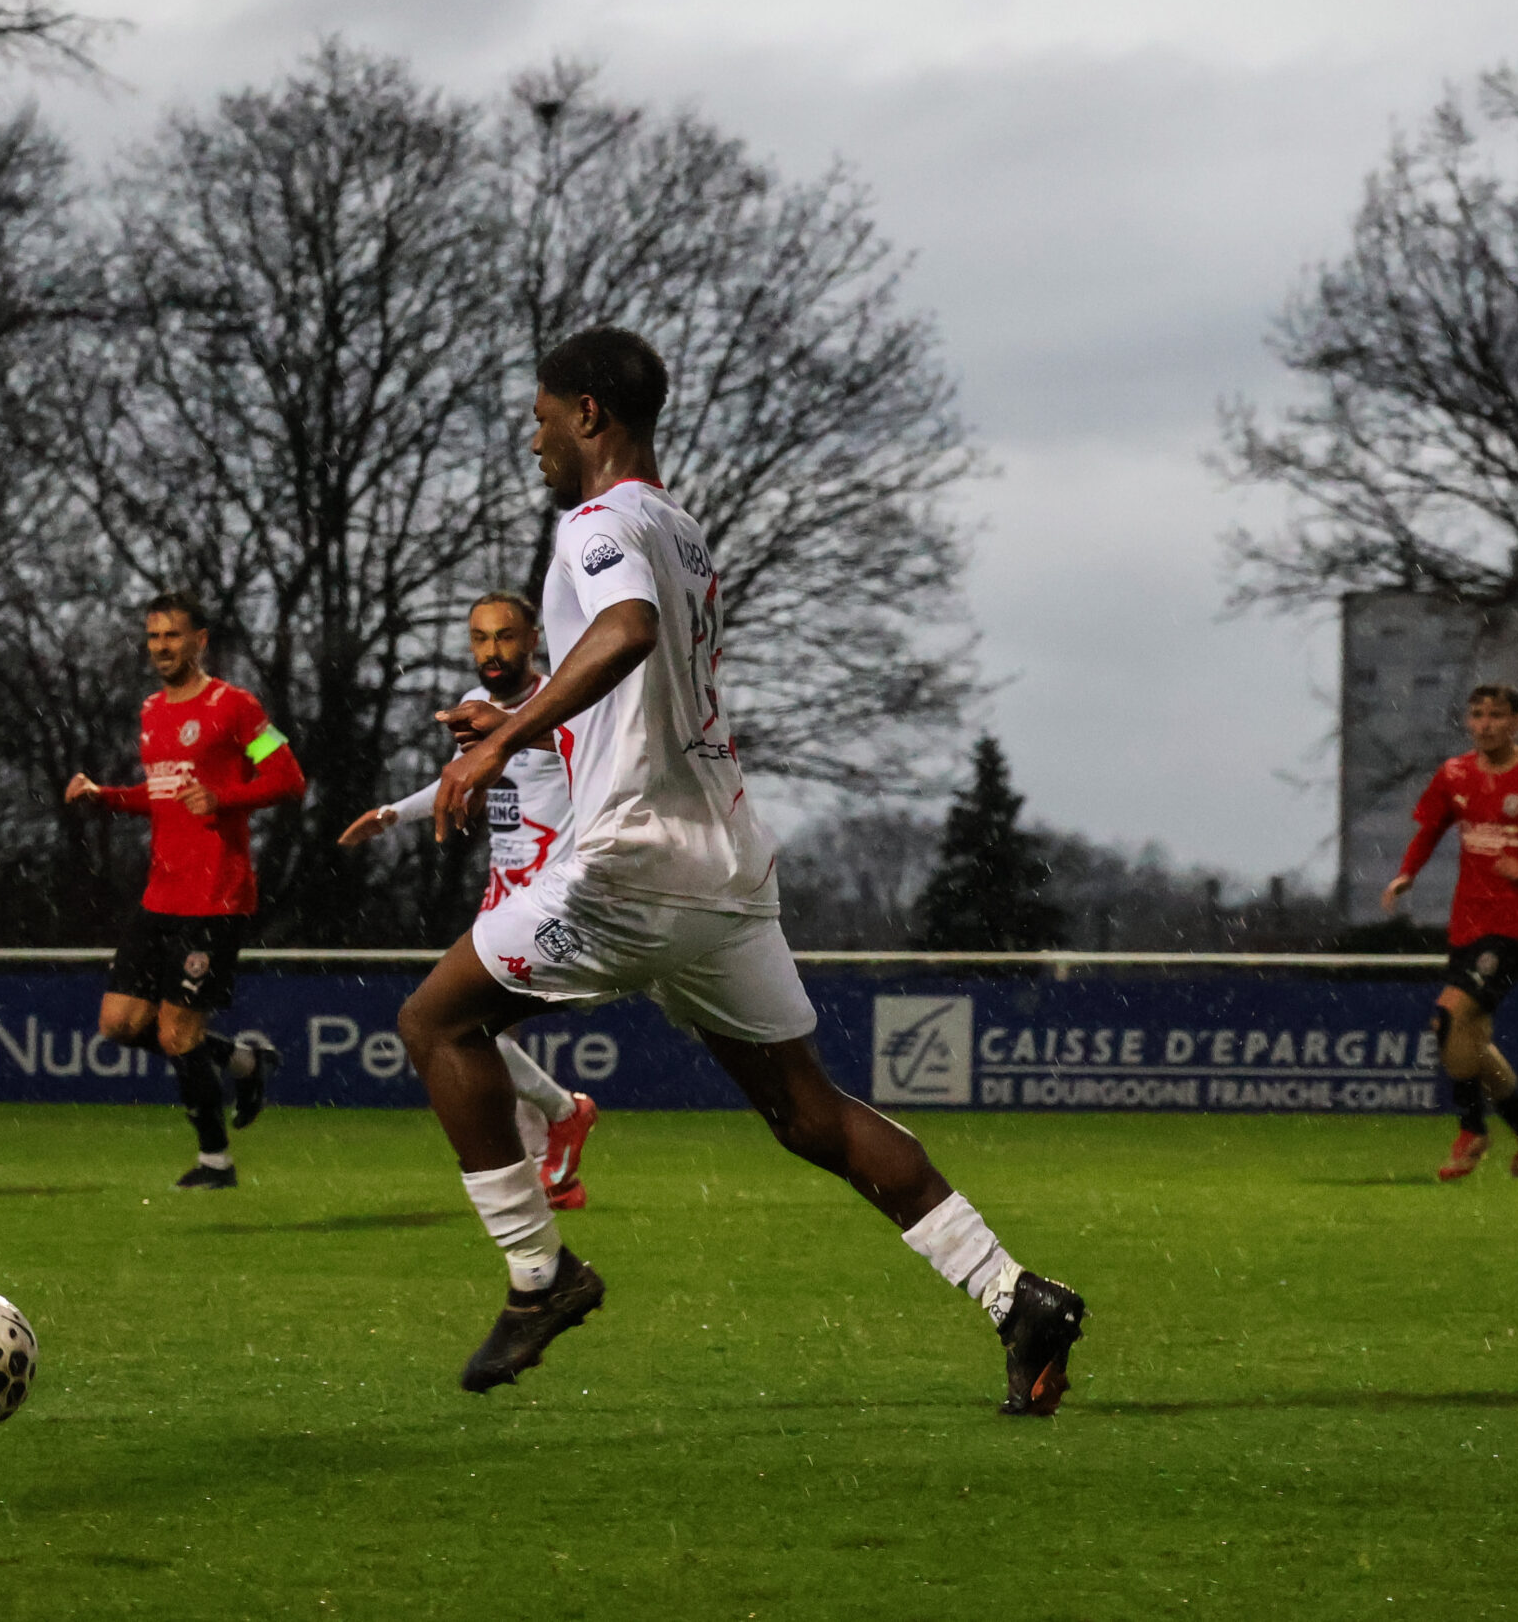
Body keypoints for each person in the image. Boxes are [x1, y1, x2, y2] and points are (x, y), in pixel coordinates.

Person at [394, 327, 1086, 1411]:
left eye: (540, 417)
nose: (532, 439)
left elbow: (625, 632)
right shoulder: (680, 530)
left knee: (436, 1024)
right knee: (809, 1114)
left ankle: (539, 1275)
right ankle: (1014, 1295)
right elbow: (644, 689)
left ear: (588, 415)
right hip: (724, 867)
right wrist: (528, 725)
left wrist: (498, 742)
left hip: (632, 866)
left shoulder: (597, 523)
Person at [340, 592, 600, 1208]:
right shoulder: (473, 708)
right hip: (501, 892)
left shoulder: (563, 704)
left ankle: (565, 1113)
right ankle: (553, 1174)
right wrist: (393, 814)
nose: (491, 650)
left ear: (532, 639)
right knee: (480, 1031)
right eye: (480, 638)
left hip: (552, 892)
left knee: (460, 1022)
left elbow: (601, 771)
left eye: (504, 636)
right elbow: (461, 776)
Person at [66, 594, 306, 1189]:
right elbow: (162, 795)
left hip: (215, 895)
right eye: (153, 637)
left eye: (172, 636)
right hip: (161, 895)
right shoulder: (152, 711)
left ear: (200, 640)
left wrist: (224, 798)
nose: (161, 647)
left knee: (177, 1034)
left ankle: (215, 1163)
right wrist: (107, 797)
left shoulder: (235, 708)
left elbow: (287, 778)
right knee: (119, 1024)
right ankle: (244, 1062)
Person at [1382, 683, 1518, 1181]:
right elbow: (1430, 829)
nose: (1485, 724)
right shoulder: (1454, 774)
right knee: (1462, 1036)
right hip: (1466, 921)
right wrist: (1407, 873)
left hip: (1513, 924)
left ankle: (1472, 1129)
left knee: (1449, 1016)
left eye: (1497, 715)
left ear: (1516, 722)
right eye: (1478, 715)